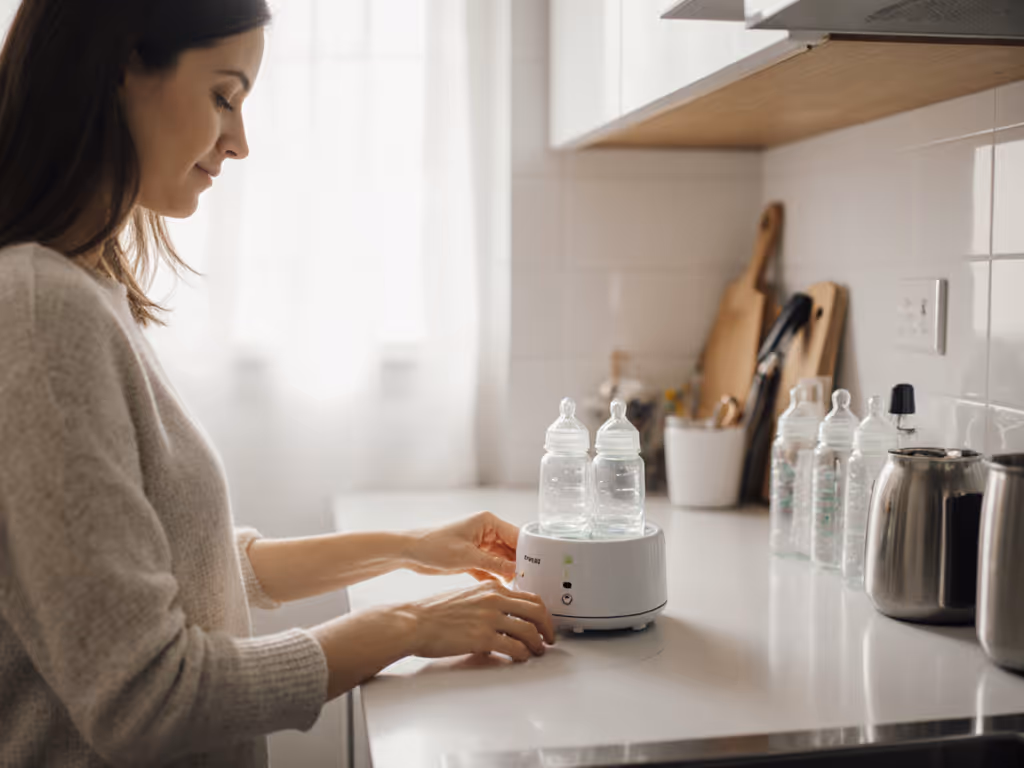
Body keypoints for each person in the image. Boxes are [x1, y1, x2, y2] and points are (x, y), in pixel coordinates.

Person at [0, 1, 554, 765]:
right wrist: (407, 627)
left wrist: (413, 547)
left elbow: (183, 566)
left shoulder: (84, 289)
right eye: (224, 95)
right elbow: (145, 698)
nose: (240, 142)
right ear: (122, 67)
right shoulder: (38, 309)